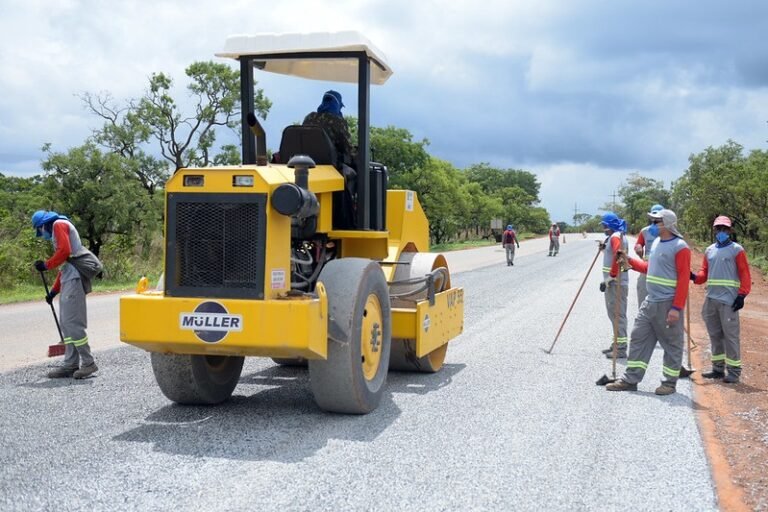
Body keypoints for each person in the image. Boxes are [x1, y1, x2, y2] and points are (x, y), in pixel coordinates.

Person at [607, 208, 691, 395]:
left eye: (656, 221)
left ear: (667, 223)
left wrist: (676, 308)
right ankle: (630, 379)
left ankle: (669, 383)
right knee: (638, 337)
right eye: (652, 221)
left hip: (668, 303)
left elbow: (684, 279)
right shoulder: (657, 243)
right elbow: (649, 268)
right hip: (650, 301)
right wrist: (628, 260)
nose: (652, 225)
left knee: (671, 344)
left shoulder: (680, 247)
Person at [32, 210, 103, 379]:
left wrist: (46, 265)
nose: (41, 234)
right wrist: (54, 291)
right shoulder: (58, 230)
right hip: (69, 280)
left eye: (40, 230)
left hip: (74, 280)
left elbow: (64, 252)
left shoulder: (58, 225)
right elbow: (64, 267)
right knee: (66, 323)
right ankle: (70, 364)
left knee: (73, 323)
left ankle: (88, 363)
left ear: (44, 224)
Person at [691, 215, 751, 384]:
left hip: (729, 301)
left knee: (731, 336)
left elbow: (744, 273)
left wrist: (742, 294)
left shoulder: (737, 250)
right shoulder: (710, 250)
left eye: (724, 229)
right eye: (718, 228)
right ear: (714, 230)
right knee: (715, 335)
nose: (721, 232)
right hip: (711, 299)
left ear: (730, 230)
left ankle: (734, 372)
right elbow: (704, 273)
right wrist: (694, 276)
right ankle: (718, 369)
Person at [598, 213, 629, 359]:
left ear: (610, 225)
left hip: (615, 282)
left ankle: (621, 348)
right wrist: (604, 248)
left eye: (605, 225)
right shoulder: (615, 236)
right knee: (613, 314)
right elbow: (613, 253)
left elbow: (619, 255)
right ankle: (616, 343)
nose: (603, 228)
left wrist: (612, 276)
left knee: (617, 315)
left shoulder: (616, 236)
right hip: (613, 282)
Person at [303, 90, 356, 168]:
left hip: (305, 162)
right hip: (330, 164)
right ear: (337, 105)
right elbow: (346, 148)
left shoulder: (309, 117)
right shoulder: (337, 120)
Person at [634, 204, 664, 309]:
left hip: (663, 269)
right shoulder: (645, 231)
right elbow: (638, 244)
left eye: (658, 219)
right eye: (653, 218)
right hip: (647, 268)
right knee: (642, 290)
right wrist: (638, 249)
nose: (655, 221)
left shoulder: (669, 231)